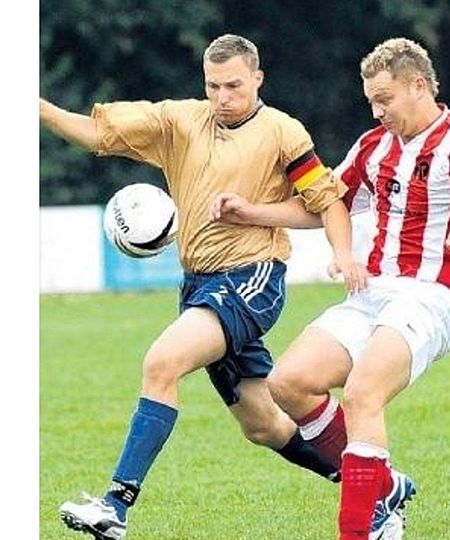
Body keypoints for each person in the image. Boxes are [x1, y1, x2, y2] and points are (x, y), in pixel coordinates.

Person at [43, 34, 366, 540]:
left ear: (257, 79)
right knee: (264, 425)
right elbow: (94, 133)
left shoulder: (282, 132)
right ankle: (379, 488)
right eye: (213, 86)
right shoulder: (179, 121)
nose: (222, 97)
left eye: (233, 85)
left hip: (253, 278)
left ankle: (115, 506)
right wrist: (37, 107)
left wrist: (335, 252)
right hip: (199, 284)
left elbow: (323, 204)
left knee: (161, 363)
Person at [211, 37, 450, 540]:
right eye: (371, 101)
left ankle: (358, 529)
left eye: (385, 99)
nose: (377, 112)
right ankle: (383, 488)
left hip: (436, 295)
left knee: (362, 394)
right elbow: (323, 203)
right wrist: (253, 213)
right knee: (288, 382)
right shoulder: (374, 146)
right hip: (374, 291)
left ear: (418, 85)